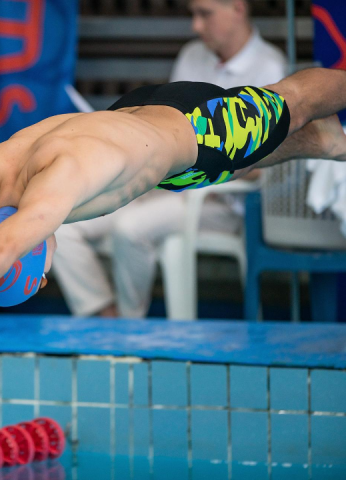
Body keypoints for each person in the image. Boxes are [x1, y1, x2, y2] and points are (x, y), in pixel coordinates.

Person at [0, 55, 346, 365]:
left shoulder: (52, 193)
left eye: (41, 274)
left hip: (195, 123)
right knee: (217, 165)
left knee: (290, 101)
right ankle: (319, 142)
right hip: (140, 123)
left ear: (37, 252)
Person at [52, 0, 287, 319]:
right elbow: (163, 126)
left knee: (130, 228)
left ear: (238, 8)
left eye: (205, 14)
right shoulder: (191, 57)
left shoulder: (270, 68)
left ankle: (129, 328)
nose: (196, 26)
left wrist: (194, 168)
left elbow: (266, 163)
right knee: (63, 224)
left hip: (220, 203)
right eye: (193, 15)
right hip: (161, 184)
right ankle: (103, 318)